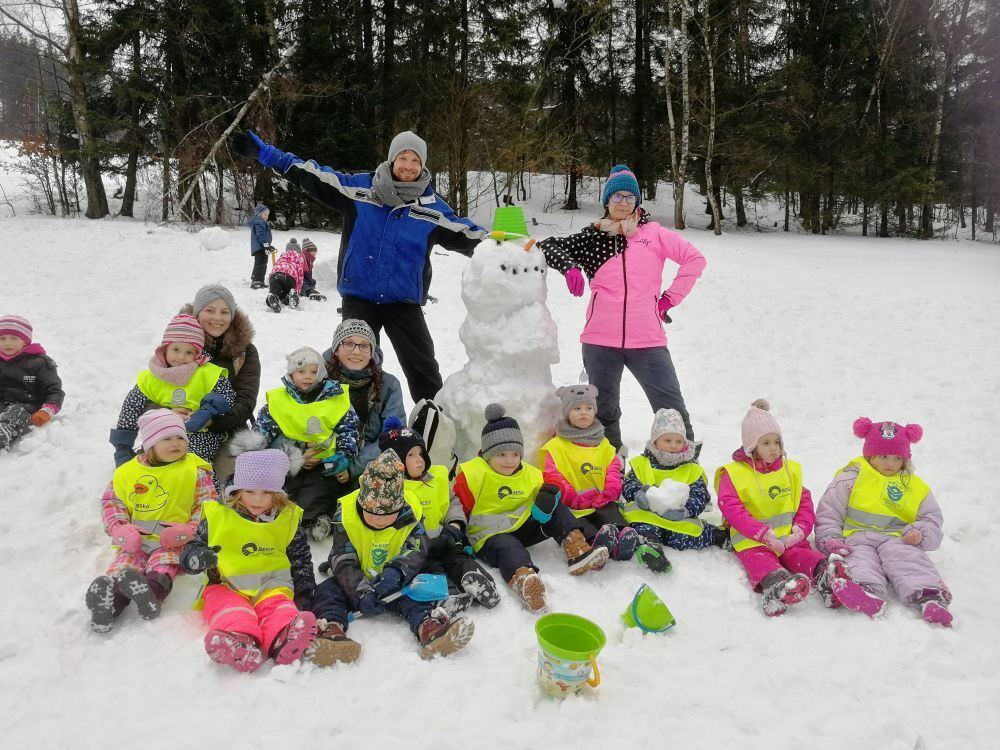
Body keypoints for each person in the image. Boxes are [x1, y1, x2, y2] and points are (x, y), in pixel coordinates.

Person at [231, 129, 487, 402]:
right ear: (392, 160)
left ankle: (434, 424)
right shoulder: (359, 190)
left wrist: (514, 249)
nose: (409, 166)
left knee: (422, 366)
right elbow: (313, 176)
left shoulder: (432, 209)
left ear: (423, 165)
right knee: (351, 366)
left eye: (416, 161)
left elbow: (471, 236)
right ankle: (348, 425)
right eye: (403, 158)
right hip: (360, 298)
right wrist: (269, 155)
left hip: (404, 302)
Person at [538, 164, 706, 450]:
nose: (624, 203)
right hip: (600, 341)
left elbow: (695, 259)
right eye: (618, 197)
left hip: (648, 340)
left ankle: (686, 474)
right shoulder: (593, 238)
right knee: (603, 412)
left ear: (637, 202)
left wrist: (669, 299)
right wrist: (570, 269)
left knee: (672, 410)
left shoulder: (653, 234)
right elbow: (548, 245)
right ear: (607, 201)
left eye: (630, 197)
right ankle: (609, 471)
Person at [715, 400, 885, 618]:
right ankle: (777, 588)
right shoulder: (734, 473)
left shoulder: (789, 470)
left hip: (788, 537)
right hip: (754, 540)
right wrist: (762, 534)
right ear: (751, 446)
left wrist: (800, 530)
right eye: (766, 443)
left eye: (776, 442)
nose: (774, 448)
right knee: (762, 561)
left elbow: (804, 501)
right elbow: (731, 508)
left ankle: (826, 576)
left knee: (804, 555)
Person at [310, 450, 476, 660]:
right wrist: (360, 592)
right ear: (362, 503)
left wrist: (397, 571)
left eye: (389, 515)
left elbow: (417, 547)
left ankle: (430, 628)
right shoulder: (346, 516)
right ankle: (330, 631)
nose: (380, 520)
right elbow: (342, 559)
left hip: (396, 580)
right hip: (357, 576)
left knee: (415, 591)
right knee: (327, 591)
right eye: (373, 514)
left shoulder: (411, 514)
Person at [452, 404, 609, 613]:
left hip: (522, 526)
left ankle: (576, 547)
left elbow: (551, 485)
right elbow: (459, 507)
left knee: (555, 507)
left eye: (515, 454)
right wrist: (458, 539)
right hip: (490, 536)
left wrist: (551, 493)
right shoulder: (473, 474)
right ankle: (524, 579)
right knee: (509, 547)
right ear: (488, 453)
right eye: (501, 455)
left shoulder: (529, 473)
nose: (509, 461)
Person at [180, 448, 325, 672]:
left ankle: (284, 637)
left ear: (278, 493)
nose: (257, 499)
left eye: (267, 492)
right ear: (237, 490)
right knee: (231, 610)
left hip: (272, 583)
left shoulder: (287, 517)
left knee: (279, 608)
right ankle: (239, 641)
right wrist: (195, 558)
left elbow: (300, 556)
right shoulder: (219, 514)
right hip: (226, 584)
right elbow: (194, 545)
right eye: (249, 491)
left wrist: (304, 589)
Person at [86, 409, 215, 633]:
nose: (176, 443)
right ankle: (109, 605)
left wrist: (190, 530)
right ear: (150, 444)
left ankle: (152, 595)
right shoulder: (127, 472)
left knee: (163, 565)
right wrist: (120, 529)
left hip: (172, 540)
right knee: (124, 567)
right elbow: (112, 503)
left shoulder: (194, 470)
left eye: (180, 438)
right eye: (166, 438)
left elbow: (206, 504)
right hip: (136, 539)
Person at [815, 418, 952, 627]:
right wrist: (831, 540)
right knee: (859, 561)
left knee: (908, 560)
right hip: (857, 537)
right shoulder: (851, 478)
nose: (890, 463)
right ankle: (866, 592)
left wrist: (920, 533)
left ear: (905, 459)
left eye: (897, 457)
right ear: (869, 455)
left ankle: (930, 596)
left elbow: (932, 519)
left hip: (898, 538)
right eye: (883, 456)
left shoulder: (915, 487)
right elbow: (829, 512)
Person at [378, 417, 499, 610]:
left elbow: (451, 501)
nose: (419, 460)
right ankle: (448, 594)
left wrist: (455, 525)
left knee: (458, 558)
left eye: (421, 453)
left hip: (445, 537)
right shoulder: (389, 490)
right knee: (430, 567)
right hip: (416, 549)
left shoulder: (437, 477)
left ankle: (478, 580)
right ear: (396, 462)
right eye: (411, 455)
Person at [245, 346, 359, 541]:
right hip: (290, 461)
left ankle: (313, 519)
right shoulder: (280, 400)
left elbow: (349, 429)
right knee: (284, 491)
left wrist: (344, 455)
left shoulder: (336, 398)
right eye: (301, 371)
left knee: (321, 490)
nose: (308, 376)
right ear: (291, 374)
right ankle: (280, 519)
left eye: (314, 372)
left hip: (324, 463)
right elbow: (263, 432)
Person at [538, 384, 643, 565]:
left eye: (588, 408)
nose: (583, 412)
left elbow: (613, 468)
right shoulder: (556, 446)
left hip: (601, 500)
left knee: (611, 514)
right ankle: (595, 545)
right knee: (581, 524)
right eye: (577, 408)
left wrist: (610, 491)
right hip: (573, 505)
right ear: (567, 412)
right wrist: (573, 498)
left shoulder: (602, 442)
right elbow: (552, 476)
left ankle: (620, 540)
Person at [110, 313, 235, 466]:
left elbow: (226, 395)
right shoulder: (153, 377)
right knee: (150, 461)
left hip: (198, 431)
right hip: (162, 433)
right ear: (165, 348)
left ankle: (199, 484)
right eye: (176, 349)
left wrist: (207, 412)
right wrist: (122, 447)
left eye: (189, 352)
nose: (181, 357)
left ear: (197, 354)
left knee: (191, 459)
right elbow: (130, 408)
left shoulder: (207, 373)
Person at [620, 408, 727, 570]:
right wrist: (639, 494)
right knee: (643, 528)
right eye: (667, 440)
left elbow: (700, 495)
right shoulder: (642, 463)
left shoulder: (691, 469)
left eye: (678, 441)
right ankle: (651, 548)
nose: (673, 445)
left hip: (677, 518)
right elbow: (629, 485)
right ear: (655, 441)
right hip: (647, 513)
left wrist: (686, 510)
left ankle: (717, 536)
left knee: (684, 536)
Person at [180, 284, 261, 479]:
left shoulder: (244, 351)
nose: (217, 318)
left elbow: (246, 401)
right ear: (198, 312)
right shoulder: (181, 343)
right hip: (181, 426)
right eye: (210, 310)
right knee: (180, 476)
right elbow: (157, 385)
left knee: (233, 484)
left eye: (224, 312)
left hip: (229, 428)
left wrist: (211, 421)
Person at [322, 319, 405, 482]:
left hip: (371, 469)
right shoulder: (317, 379)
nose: (356, 351)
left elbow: (393, 435)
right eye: (349, 343)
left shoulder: (388, 385)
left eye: (363, 345)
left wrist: (354, 467)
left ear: (371, 351)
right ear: (336, 349)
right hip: (323, 463)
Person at [0, 314, 63, 450]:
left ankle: (3, 432)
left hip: (26, 408)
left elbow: (54, 391)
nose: (7, 343)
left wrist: (47, 411)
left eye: (14, 338)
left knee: (14, 412)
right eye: (2, 338)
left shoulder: (39, 362)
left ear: (25, 341)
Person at [266, 238, 307, 313]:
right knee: (287, 292)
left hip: (276, 275)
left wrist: (271, 283)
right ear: (299, 250)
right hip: (290, 277)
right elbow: (300, 275)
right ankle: (291, 295)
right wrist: (297, 290)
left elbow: (275, 267)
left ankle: (273, 296)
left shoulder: (283, 255)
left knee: (276, 291)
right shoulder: (300, 257)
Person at [248, 203, 274, 289]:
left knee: (263, 264)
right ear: (259, 214)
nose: (267, 216)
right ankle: (256, 281)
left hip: (262, 247)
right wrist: (266, 245)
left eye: (268, 214)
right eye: (265, 214)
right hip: (260, 248)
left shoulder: (260, 222)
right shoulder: (260, 222)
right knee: (260, 264)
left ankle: (260, 281)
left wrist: (268, 246)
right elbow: (261, 235)